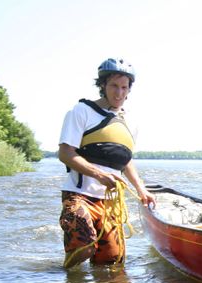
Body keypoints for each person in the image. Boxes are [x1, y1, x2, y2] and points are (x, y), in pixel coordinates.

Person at [58, 57, 155, 269]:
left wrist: (141, 190)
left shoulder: (131, 123)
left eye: (124, 87)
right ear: (102, 86)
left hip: (110, 202)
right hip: (79, 195)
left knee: (111, 263)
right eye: (113, 86)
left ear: (129, 90)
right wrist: (99, 175)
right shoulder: (81, 111)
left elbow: (126, 160)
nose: (119, 93)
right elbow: (65, 153)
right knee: (84, 247)